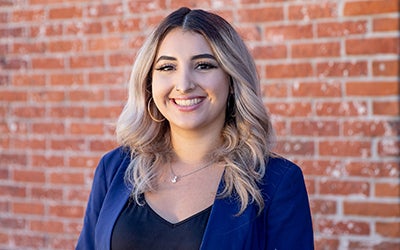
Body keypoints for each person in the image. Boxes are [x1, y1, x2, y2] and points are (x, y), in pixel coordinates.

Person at [76, 7, 314, 250]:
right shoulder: (115, 168)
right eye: (167, 67)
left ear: (231, 80)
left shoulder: (277, 181)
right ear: (149, 82)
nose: (184, 84)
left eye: (203, 65)